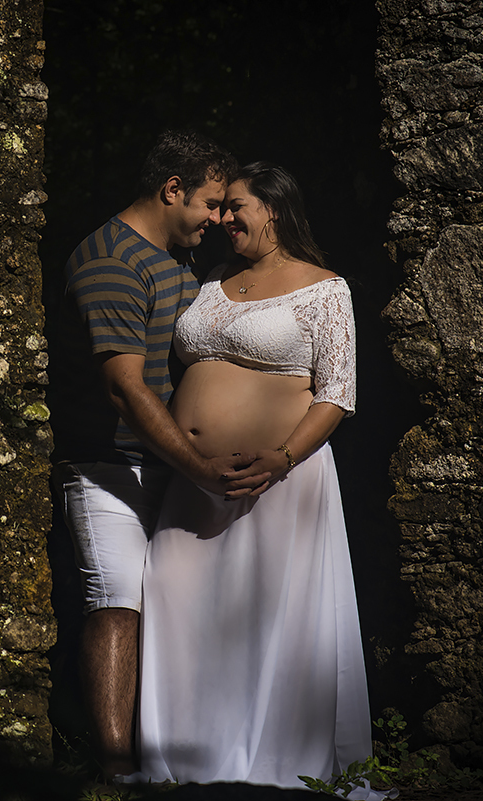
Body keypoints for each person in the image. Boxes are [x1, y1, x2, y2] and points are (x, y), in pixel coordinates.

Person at [131, 162, 378, 796]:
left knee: (268, 618)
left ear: (274, 208)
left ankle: (268, 762)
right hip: (194, 482)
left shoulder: (324, 290)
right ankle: (190, 757)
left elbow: (338, 393)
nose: (223, 219)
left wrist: (283, 458)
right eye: (221, 208)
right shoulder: (213, 280)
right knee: (177, 604)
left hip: (278, 484)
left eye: (236, 206)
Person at [51, 130, 270, 780]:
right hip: (110, 468)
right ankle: (117, 772)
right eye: (210, 203)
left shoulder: (178, 262)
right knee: (116, 597)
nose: (218, 219)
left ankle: (190, 755)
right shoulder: (110, 260)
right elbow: (124, 388)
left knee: (189, 603)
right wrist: (200, 468)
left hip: (172, 469)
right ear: (172, 190)